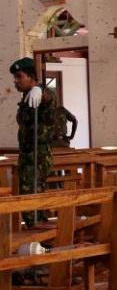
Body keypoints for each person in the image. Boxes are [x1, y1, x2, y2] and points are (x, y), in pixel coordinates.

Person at [10, 58, 56, 226]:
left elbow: (48, 98)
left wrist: (38, 89)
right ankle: (37, 234)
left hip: (38, 156)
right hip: (27, 156)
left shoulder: (41, 93)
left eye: (19, 76)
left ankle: (36, 240)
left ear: (31, 77)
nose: (15, 80)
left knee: (32, 201)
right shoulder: (25, 97)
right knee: (30, 200)